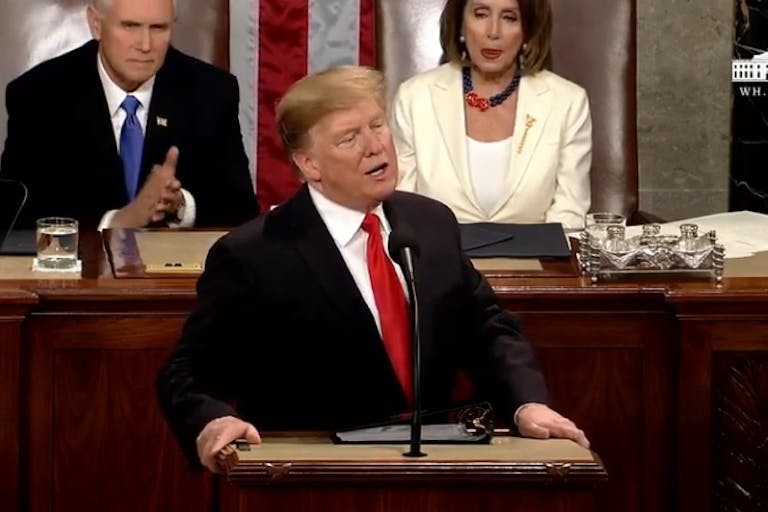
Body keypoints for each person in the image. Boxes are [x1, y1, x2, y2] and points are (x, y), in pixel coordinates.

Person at [156, 65, 589, 473]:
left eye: (377, 125)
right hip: (318, 478)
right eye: (349, 139)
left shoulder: (430, 223)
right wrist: (211, 422)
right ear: (310, 165)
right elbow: (187, 372)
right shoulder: (254, 254)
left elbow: (486, 327)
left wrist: (525, 403)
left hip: (434, 469)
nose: (375, 146)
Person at [0, 0, 259, 230]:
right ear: (96, 24)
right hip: (78, 280)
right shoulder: (38, 96)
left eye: (158, 28)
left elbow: (242, 212)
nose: (145, 45)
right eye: (130, 26)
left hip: (174, 280)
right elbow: (17, 221)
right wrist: (118, 221)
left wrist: (180, 205)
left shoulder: (211, 92)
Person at [391, 0, 591, 230]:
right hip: (439, 260)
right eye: (481, 14)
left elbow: (568, 216)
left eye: (509, 18)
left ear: (528, 30)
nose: (493, 32)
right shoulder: (414, 98)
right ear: (460, 24)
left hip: (538, 262)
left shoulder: (567, 102)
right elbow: (403, 210)